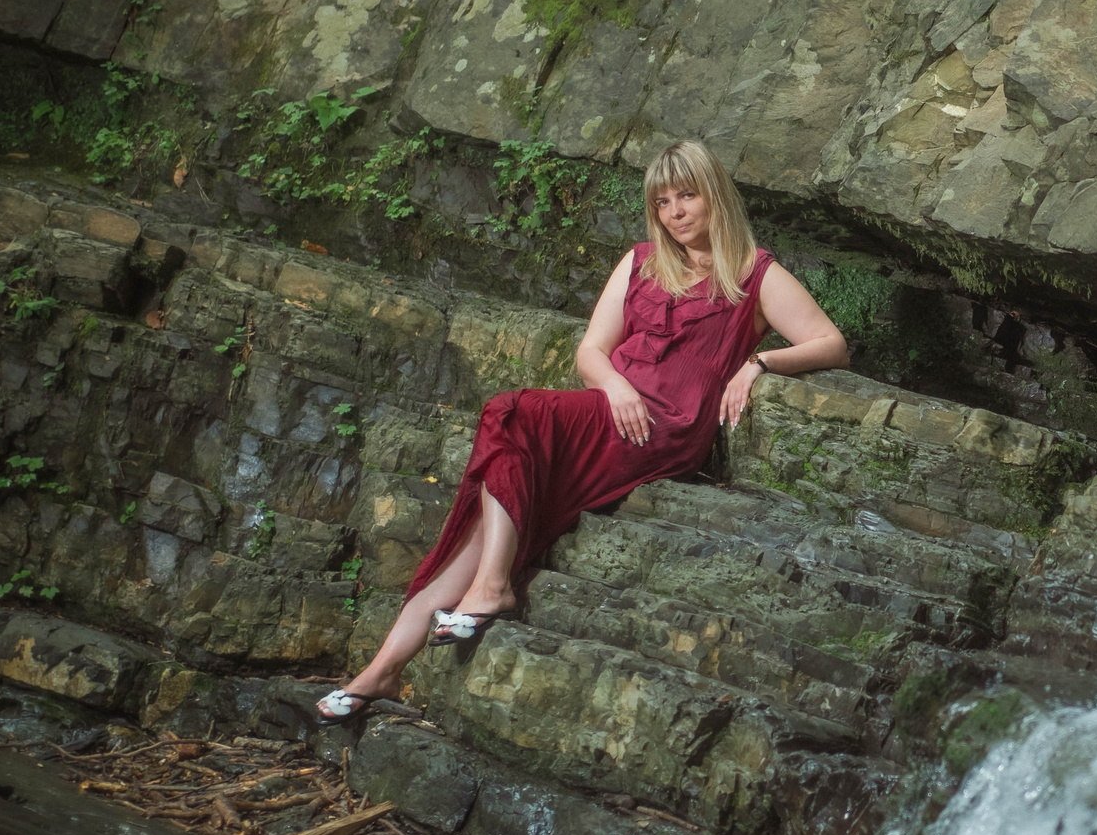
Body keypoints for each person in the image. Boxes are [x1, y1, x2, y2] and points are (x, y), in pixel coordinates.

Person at [311, 139, 849, 724]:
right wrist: (617, 387)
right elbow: (592, 350)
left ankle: (488, 589)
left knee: (512, 414)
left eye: (688, 195)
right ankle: (385, 668)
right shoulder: (642, 260)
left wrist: (758, 363)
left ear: (715, 194)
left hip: (666, 427)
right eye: (663, 201)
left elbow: (831, 344)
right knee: (492, 494)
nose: (676, 212)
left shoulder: (754, 273)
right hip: (613, 410)